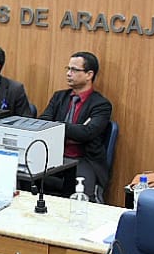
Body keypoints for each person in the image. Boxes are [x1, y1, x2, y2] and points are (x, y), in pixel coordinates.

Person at [38, 51, 114, 199]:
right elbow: (43, 122)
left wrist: (58, 126)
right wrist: (73, 129)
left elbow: (87, 132)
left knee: (83, 196)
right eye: (68, 69)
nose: (68, 74)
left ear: (89, 75)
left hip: (83, 159)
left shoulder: (101, 104)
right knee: (27, 179)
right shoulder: (59, 97)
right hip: (55, 156)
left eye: (74, 70)